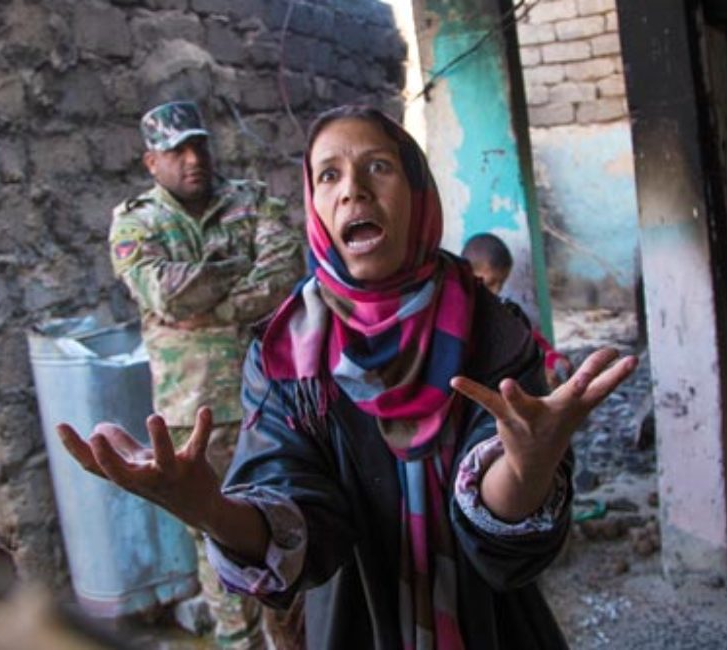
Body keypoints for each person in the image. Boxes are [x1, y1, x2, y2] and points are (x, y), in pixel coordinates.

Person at [62, 105, 637, 649]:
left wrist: (527, 467)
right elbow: (298, 512)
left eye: (378, 167)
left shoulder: (493, 330)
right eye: (329, 175)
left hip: (489, 620)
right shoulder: (286, 354)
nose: (352, 190)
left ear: (417, 191)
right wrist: (209, 509)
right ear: (314, 204)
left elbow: (505, 525)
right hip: (351, 619)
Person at [107, 101, 304, 648]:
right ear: (152, 161)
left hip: (273, 400)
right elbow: (165, 294)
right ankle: (238, 643)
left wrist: (207, 309)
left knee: (286, 527)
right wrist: (236, 273)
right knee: (213, 536)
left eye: (200, 146)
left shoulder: (253, 199)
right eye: (177, 151)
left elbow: (284, 272)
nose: (194, 159)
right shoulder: (135, 222)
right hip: (194, 414)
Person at [461, 233, 574, 387]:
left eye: (501, 283)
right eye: (490, 283)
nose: (496, 291)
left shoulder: (501, 310)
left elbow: (527, 338)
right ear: (466, 273)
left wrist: (551, 359)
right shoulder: (456, 315)